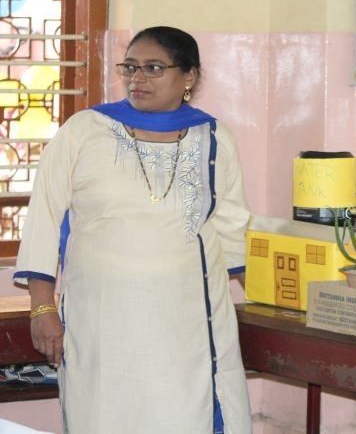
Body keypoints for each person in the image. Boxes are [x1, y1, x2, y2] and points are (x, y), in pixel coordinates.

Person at [13, 26, 253, 433]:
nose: (137, 78)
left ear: (189, 76)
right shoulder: (84, 130)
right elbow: (44, 218)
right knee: (104, 415)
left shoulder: (213, 136)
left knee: (187, 415)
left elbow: (231, 229)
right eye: (130, 67)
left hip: (188, 322)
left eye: (154, 68)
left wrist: (270, 299)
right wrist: (42, 307)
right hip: (102, 318)